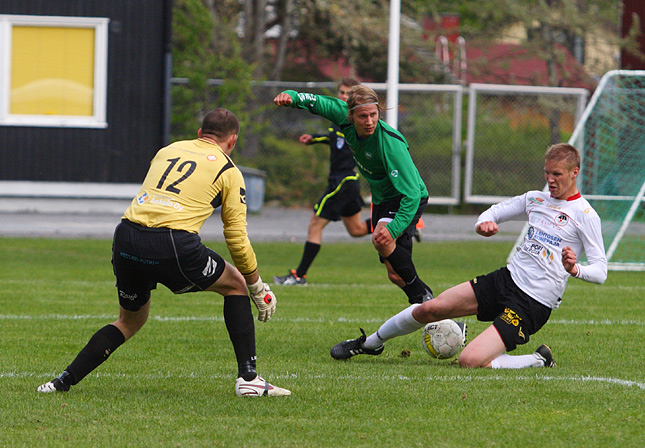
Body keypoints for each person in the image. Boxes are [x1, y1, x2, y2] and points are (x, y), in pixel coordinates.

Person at [37, 108, 290, 397]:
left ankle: (61, 382)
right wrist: (256, 285)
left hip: (127, 236)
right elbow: (235, 237)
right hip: (172, 243)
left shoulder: (168, 150)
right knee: (235, 284)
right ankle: (249, 379)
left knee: (130, 320)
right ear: (232, 141)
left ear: (199, 134)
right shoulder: (228, 170)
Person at [330, 143, 607, 368]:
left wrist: (576, 270)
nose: (550, 180)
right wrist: (483, 224)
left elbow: (601, 271)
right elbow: (494, 212)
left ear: (574, 173)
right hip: (506, 279)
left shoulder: (585, 216)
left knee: (469, 360)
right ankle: (369, 344)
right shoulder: (536, 199)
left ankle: (537, 359)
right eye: (547, 173)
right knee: (432, 308)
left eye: (557, 174)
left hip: (533, 302)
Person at [273, 85, 432, 304]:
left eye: (373, 115)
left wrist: (394, 228)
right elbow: (318, 102)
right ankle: (424, 299)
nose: (369, 121)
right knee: (394, 275)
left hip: (406, 197)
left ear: (379, 112)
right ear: (351, 116)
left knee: (381, 239)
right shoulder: (343, 117)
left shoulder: (390, 144)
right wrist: (291, 96)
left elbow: (412, 194)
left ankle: (424, 301)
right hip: (382, 198)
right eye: (363, 116)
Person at [274, 78, 372, 286]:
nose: (344, 97)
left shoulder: (356, 120)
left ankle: (299, 275)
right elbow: (333, 139)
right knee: (356, 230)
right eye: (342, 93)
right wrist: (314, 139)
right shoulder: (337, 119)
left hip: (343, 180)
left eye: (348, 94)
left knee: (315, 224)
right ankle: (399, 223)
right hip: (347, 182)